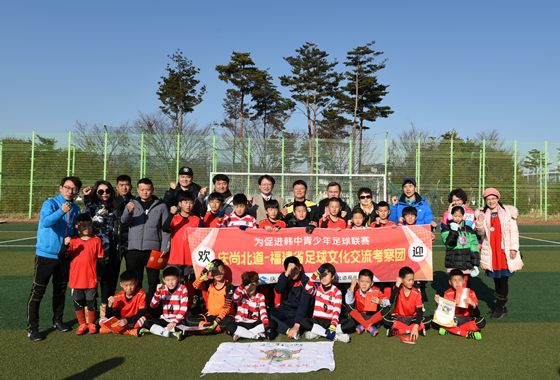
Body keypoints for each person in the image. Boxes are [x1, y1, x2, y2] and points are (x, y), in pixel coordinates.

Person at [27, 176, 82, 342]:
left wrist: (74, 238)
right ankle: (32, 328)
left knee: (60, 291)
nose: (70, 191)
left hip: (64, 256)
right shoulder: (50, 204)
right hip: (46, 256)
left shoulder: (76, 209)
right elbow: (45, 222)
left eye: (74, 189)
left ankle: (57, 321)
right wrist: (61, 211)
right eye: (67, 187)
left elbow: (72, 231)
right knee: (38, 292)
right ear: (61, 188)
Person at [475, 188, 523, 320]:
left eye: (493, 198)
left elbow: (514, 231)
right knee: (496, 279)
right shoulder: (483, 214)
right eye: (488, 199)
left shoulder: (508, 213)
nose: (491, 201)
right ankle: (502, 306)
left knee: (503, 279)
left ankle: (499, 307)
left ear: (498, 198)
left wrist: (514, 248)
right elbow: (480, 233)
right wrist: (479, 221)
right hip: (491, 251)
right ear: (485, 200)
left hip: (504, 251)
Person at [121, 178, 170, 305]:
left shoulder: (161, 206)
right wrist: (128, 211)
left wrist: (165, 246)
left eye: (148, 190)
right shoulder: (132, 203)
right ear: (137, 190)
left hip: (153, 249)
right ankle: (137, 305)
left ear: (152, 190)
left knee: (153, 281)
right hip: (133, 249)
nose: (145, 192)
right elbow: (124, 222)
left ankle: (152, 306)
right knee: (135, 280)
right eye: (142, 190)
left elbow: (165, 229)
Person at [58, 214, 104, 335]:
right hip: (76, 279)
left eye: (89, 225)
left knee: (91, 301)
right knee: (78, 301)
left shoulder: (97, 241)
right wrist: (65, 245)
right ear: (78, 227)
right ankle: (82, 324)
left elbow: (101, 260)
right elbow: (62, 256)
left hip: (91, 279)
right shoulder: (73, 241)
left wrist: (99, 274)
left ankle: (92, 324)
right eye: (83, 226)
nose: (87, 228)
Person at [83, 180, 119, 318]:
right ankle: (90, 314)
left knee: (108, 283)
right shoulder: (91, 208)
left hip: (113, 251)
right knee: (93, 282)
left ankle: (105, 313)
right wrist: (100, 215)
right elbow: (88, 228)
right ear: (95, 193)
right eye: (101, 191)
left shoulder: (115, 207)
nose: (105, 194)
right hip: (96, 252)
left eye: (107, 191)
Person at [300, 264, 352, 343]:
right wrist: (315, 274)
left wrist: (333, 325)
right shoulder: (317, 287)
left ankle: (318, 332)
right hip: (317, 320)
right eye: (322, 275)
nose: (323, 277)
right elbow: (307, 288)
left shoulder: (337, 292)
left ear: (332, 277)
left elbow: (336, 310)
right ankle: (336, 336)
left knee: (351, 323)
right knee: (304, 322)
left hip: (330, 321)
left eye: (326, 275)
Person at [434, 269, 486, 340]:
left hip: (467, 319)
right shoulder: (447, 293)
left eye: (460, 280)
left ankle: (450, 330)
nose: (457, 283)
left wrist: (473, 304)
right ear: (450, 282)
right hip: (453, 319)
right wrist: (438, 304)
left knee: (481, 322)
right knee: (437, 320)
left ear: (464, 281)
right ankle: (467, 334)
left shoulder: (471, 293)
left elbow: (477, 315)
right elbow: (443, 313)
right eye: (454, 280)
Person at [139, 267, 189, 340]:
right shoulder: (163, 289)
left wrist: (174, 322)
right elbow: (152, 305)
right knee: (147, 323)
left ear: (178, 278)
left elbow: (184, 309)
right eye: (168, 280)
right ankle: (170, 333)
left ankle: (157, 330)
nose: (171, 282)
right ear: (164, 280)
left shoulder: (183, 288)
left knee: (184, 325)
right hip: (165, 320)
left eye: (173, 279)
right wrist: (157, 292)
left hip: (178, 320)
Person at [226, 271, 277, 341]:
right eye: (247, 285)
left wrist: (267, 326)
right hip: (241, 323)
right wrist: (241, 287)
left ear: (257, 284)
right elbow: (234, 298)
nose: (250, 287)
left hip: (254, 323)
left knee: (272, 323)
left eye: (252, 284)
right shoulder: (241, 294)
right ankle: (255, 336)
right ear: (243, 285)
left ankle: (242, 334)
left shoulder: (261, 296)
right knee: (229, 326)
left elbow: (263, 313)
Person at [383, 266, 431, 341]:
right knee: (386, 319)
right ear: (401, 280)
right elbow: (391, 301)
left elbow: (419, 311)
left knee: (428, 320)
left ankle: (398, 331)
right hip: (398, 317)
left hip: (412, 318)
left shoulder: (417, 293)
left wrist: (415, 325)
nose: (411, 282)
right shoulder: (397, 289)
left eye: (412, 279)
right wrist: (396, 286)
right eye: (409, 280)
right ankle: (417, 329)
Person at [188, 260, 235, 334]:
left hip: (224, 317)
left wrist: (217, 321)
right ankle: (213, 328)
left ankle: (204, 329)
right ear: (211, 273)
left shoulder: (229, 286)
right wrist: (204, 273)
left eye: (221, 271)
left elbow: (227, 307)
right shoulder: (209, 284)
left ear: (224, 271)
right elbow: (195, 285)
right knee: (189, 320)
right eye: (215, 272)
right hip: (210, 316)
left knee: (230, 321)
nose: (218, 274)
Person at [269, 256, 311, 339]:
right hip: (284, 310)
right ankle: (287, 330)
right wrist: (286, 274)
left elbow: (304, 304)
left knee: (302, 322)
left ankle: (277, 327)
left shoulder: (305, 281)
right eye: (290, 270)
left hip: (298, 313)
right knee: (265, 313)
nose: (293, 272)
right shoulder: (284, 277)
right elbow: (278, 290)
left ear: (300, 268)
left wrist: (296, 325)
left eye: (295, 269)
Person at [99, 270, 148, 337]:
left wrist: (127, 321)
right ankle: (130, 331)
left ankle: (111, 330)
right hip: (122, 320)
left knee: (143, 319)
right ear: (121, 284)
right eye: (126, 285)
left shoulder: (141, 293)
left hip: (134, 320)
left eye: (131, 284)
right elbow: (109, 316)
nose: (129, 288)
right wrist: (109, 306)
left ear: (136, 282)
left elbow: (142, 312)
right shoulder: (117, 296)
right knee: (102, 320)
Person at [441, 205, 480, 288]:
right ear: (451, 216)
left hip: (466, 264)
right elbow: (449, 244)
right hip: (453, 264)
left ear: (464, 216)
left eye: (460, 216)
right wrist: (453, 231)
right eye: (455, 216)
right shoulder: (447, 229)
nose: (457, 218)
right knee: (453, 287)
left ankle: (462, 301)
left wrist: (476, 264)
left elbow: (474, 247)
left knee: (464, 286)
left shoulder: (469, 230)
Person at [346, 269, 391, 337]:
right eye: (362, 281)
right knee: (348, 305)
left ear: (372, 283)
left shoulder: (376, 290)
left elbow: (388, 303)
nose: (364, 284)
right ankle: (368, 325)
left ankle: (364, 325)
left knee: (387, 308)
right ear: (358, 281)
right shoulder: (355, 289)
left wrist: (380, 301)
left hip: (373, 316)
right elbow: (348, 301)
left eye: (367, 282)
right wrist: (352, 286)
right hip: (359, 315)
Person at [113, 174, 133, 267]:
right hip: (116, 240)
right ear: (117, 187)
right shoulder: (112, 201)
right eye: (121, 185)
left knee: (132, 270)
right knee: (113, 271)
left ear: (131, 186)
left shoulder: (136, 201)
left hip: (131, 240)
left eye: (127, 184)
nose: (124, 187)